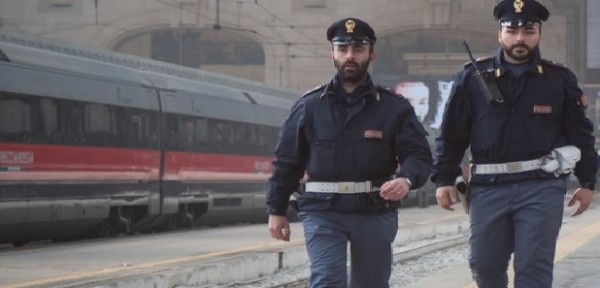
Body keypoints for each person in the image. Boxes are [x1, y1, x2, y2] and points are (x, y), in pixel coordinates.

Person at [432, 1, 597, 287]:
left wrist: (587, 182)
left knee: (533, 269)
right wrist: (444, 179)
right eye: (512, 30)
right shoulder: (472, 78)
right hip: (487, 187)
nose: (520, 38)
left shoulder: (559, 80)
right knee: (485, 268)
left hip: (541, 186)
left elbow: (581, 134)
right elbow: (452, 134)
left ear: (538, 35)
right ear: (500, 34)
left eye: (528, 31)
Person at [266, 17, 432, 288]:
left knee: (371, 284)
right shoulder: (309, 106)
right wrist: (276, 209)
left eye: (357, 49)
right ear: (332, 53)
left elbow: (419, 156)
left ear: (371, 54)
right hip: (322, 210)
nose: (350, 56)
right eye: (342, 49)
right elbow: (287, 161)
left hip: (374, 210)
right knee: (327, 280)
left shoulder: (393, 108)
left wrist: (407, 180)